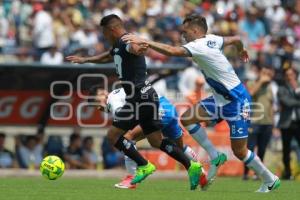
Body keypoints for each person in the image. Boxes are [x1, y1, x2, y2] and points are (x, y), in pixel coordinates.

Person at [122, 13, 280, 193]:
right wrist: (241, 49)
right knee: (188, 118)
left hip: (236, 100)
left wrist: (145, 41)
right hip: (220, 99)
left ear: (196, 30)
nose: (183, 36)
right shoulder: (213, 39)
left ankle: (270, 179)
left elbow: (172, 51)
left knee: (240, 151)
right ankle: (215, 155)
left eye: (185, 32)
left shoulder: (199, 45)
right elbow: (235, 39)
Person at [66, 14, 202, 190]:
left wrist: (140, 46)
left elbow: (134, 47)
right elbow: (108, 56)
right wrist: (86, 60)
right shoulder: (117, 46)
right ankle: (192, 165)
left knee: (113, 136)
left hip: (139, 98)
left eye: (104, 33)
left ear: (112, 29)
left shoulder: (126, 41)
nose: (104, 37)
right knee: (156, 142)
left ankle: (143, 166)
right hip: (146, 97)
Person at [88, 85, 210, 189]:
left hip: (157, 109)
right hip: (167, 107)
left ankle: (132, 177)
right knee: (175, 146)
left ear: (103, 94)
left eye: (96, 102)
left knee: (127, 137)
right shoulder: (118, 93)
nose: (98, 107)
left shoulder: (112, 100)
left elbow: (125, 121)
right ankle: (199, 171)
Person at [243, 66, 274, 180]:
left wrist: (273, 123)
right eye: (264, 72)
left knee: (262, 150)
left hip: (267, 123)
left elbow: (271, 105)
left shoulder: (269, 87)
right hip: (254, 122)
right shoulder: (252, 83)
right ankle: (246, 173)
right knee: (249, 149)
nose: (267, 75)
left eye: (268, 73)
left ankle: (257, 174)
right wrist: (261, 81)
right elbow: (250, 94)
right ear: (259, 73)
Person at [278, 67, 300, 180]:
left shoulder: (298, 87)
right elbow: (287, 102)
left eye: (291, 74)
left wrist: (297, 89)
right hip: (286, 123)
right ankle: (288, 173)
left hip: (298, 122)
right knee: (286, 150)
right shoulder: (281, 88)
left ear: (295, 75)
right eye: (288, 74)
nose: (290, 76)